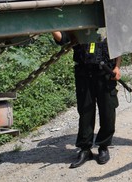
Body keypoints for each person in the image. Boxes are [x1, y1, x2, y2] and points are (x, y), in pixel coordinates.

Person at [52, 31, 121, 168]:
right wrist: (51, 26)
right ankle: (85, 149)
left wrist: (117, 67)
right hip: (84, 72)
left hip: (105, 73)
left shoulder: (106, 20)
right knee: (85, 112)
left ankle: (103, 146)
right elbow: (63, 38)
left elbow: (117, 44)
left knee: (107, 110)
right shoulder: (79, 23)